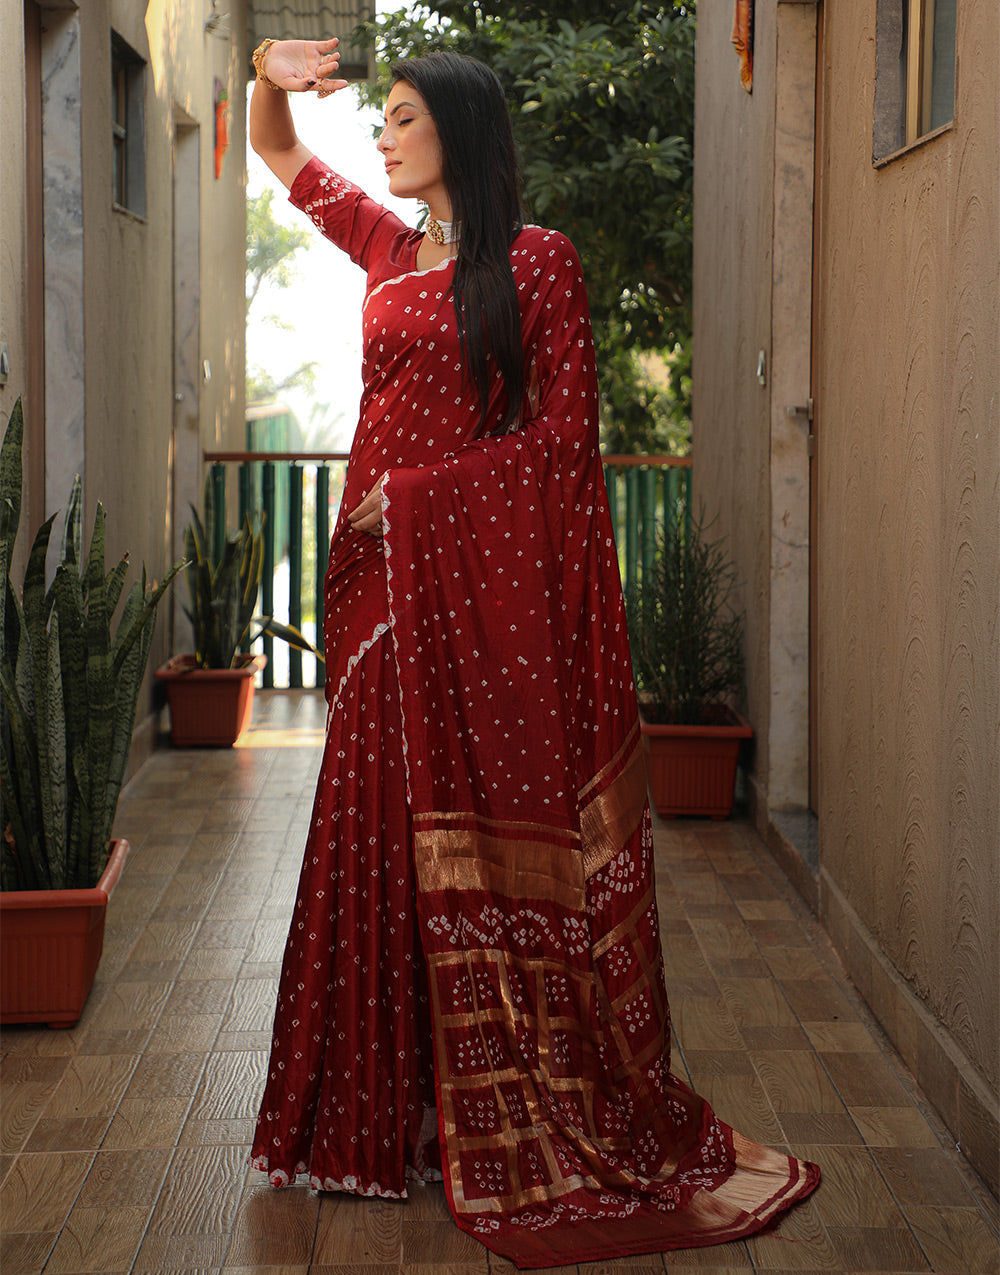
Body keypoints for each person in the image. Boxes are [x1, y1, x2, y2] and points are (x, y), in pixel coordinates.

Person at [247, 37, 820, 1269]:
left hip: (457, 598)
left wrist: (425, 503)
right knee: (372, 838)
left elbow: (563, 450)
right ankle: (371, 1118)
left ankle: (492, 1114)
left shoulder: (540, 266)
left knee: (453, 845)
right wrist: (262, 65)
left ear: (457, 127)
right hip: (374, 607)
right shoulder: (386, 248)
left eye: (401, 119)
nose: (383, 138)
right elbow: (275, 147)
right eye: (381, 119)